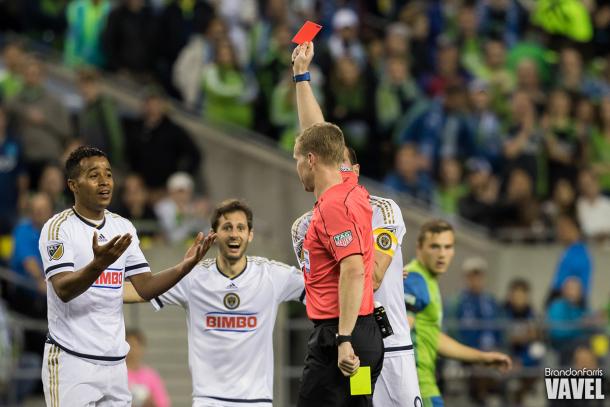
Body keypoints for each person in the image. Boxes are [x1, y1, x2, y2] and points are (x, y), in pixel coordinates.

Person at [290, 41, 420, 407]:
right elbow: (318, 134)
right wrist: (301, 76)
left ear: (312, 162)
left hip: (339, 336)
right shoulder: (349, 187)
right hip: (363, 334)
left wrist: (344, 338)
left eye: (298, 160)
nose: (296, 166)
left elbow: (352, 271)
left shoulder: (333, 207)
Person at [38, 146, 215, 406]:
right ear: (73, 185)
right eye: (94, 175)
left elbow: (145, 287)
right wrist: (98, 265)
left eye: (108, 174)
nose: (104, 182)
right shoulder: (58, 228)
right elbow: (63, 289)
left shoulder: (123, 227)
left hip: (115, 366)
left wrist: (183, 267)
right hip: (70, 362)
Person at [124, 199, 305, 406]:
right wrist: (86, 285)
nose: (234, 234)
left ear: (250, 234)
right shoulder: (193, 277)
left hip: (256, 401)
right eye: (227, 227)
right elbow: (138, 292)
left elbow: (321, 288)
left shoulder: (272, 275)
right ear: (214, 234)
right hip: (209, 401)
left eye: (241, 228)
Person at [403, 220, 512, 407]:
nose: (442, 254)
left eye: (448, 247)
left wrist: (482, 358)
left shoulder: (428, 280)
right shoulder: (415, 280)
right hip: (414, 385)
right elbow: (401, 330)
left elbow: (433, 337)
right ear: (419, 248)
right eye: (435, 247)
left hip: (422, 382)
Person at [126, 329, 170, 407]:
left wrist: (150, 403)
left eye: (136, 346)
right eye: (130, 345)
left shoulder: (151, 375)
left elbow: (163, 403)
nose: (133, 350)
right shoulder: (117, 374)